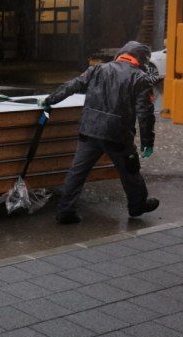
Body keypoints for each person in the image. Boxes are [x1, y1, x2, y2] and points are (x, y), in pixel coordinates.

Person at [41, 41, 158, 224]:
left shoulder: (97, 70)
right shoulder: (140, 78)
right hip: (117, 135)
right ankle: (137, 206)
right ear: (142, 59)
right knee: (130, 170)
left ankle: (65, 211)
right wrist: (147, 143)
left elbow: (72, 85)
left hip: (89, 130)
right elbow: (145, 115)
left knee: (77, 172)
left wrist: (50, 99)